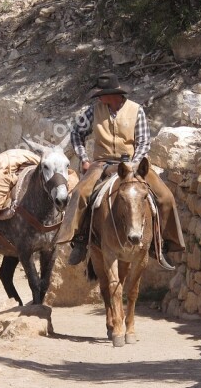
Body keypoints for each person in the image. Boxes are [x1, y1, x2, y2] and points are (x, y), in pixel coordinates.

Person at [56, 75, 185, 268]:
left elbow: (143, 142)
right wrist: (83, 158)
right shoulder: (93, 111)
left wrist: (133, 165)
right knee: (80, 194)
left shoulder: (136, 111)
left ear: (113, 95)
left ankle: (161, 244)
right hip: (102, 164)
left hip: (133, 164)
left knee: (165, 197)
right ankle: (81, 241)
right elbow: (76, 133)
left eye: (101, 94)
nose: (98, 98)